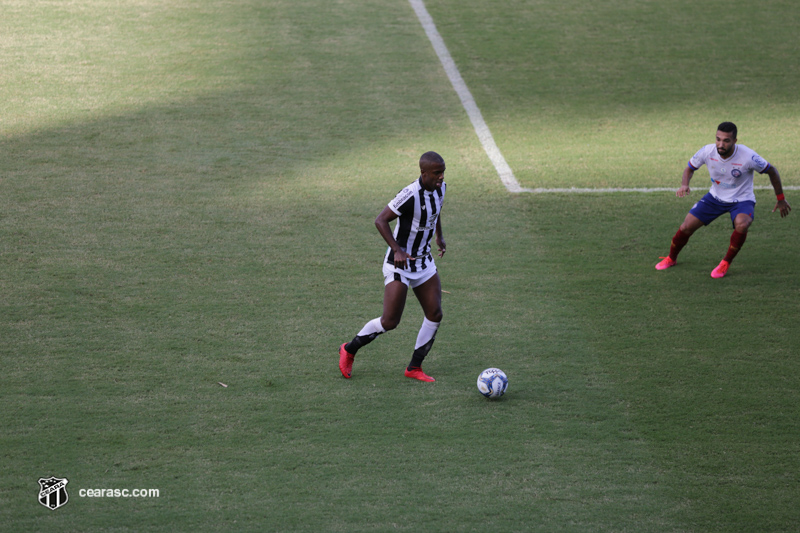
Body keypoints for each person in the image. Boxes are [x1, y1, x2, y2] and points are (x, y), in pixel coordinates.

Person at [339, 151, 447, 382]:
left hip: (424, 262)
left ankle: (414, 367)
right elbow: (380, 220)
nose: (441, 177)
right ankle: (349, 349)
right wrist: (397, 249)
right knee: (390, 321)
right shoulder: (409, 194)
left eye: (442, 172)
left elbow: (435, 212)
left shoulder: (441, 188)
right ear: (423, 173)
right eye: (437, 173)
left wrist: (439, 236)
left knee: (435, 313)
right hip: (399, 264)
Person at [655, 122, 791, 278]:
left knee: (742, 224)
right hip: (715, 198)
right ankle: (671, 258)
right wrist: (684, 184)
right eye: (718, 139)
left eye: (726, 140)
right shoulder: (707, 151)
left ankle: (725, 262)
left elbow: (772, 171)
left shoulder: (748, 156)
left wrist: (780, 199)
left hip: (742, 200)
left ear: (735, 140)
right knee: (686, 227)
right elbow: (690, 168)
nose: (721, 144)